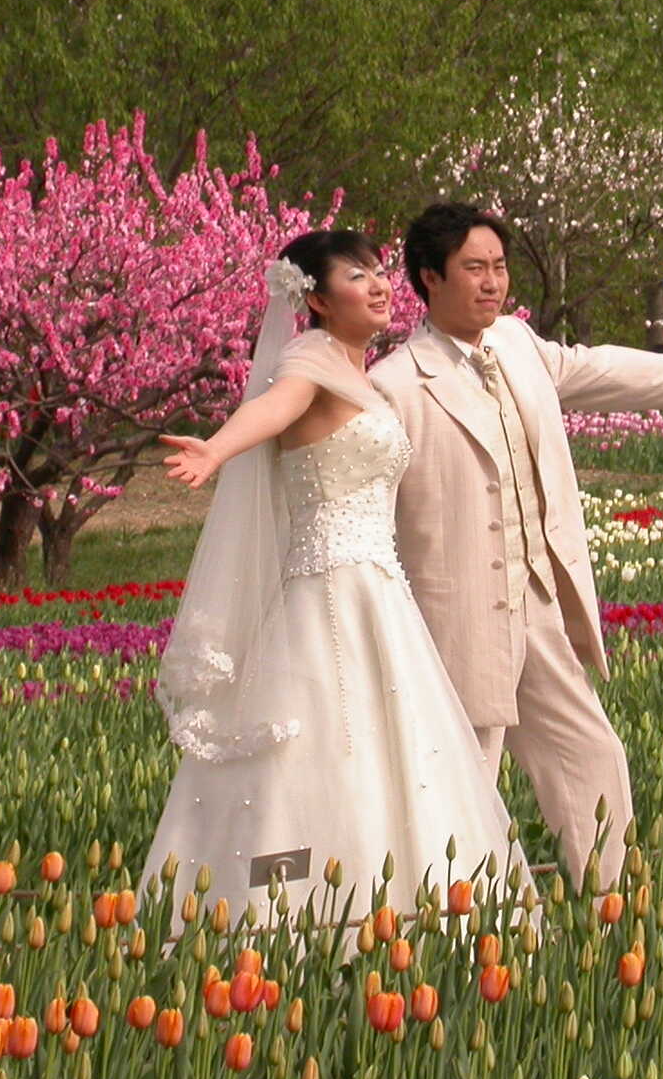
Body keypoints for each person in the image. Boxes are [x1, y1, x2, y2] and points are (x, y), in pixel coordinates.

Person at [369, 203, 663, 891]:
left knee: (590, 754)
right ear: (428, 278)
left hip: (535, 601)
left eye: (499, 267)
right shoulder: (395, 387)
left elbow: (602, 370)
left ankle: (610, 904)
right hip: (456, 617)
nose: (492, 282)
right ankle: (454, 927)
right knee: (464, 776)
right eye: (474, 268)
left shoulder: (519, 346)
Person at [142, 229, 529, 933]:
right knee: (324, 749)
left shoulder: (363, 375)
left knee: (397, 753)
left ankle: (402, 910)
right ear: (315, 299)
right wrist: (219, 447)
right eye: (358, 275)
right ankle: (301, 916)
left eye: (380, 271)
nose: (380, 285)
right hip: (329, 595)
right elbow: (273, 407)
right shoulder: (309, 359)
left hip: (381, 594)